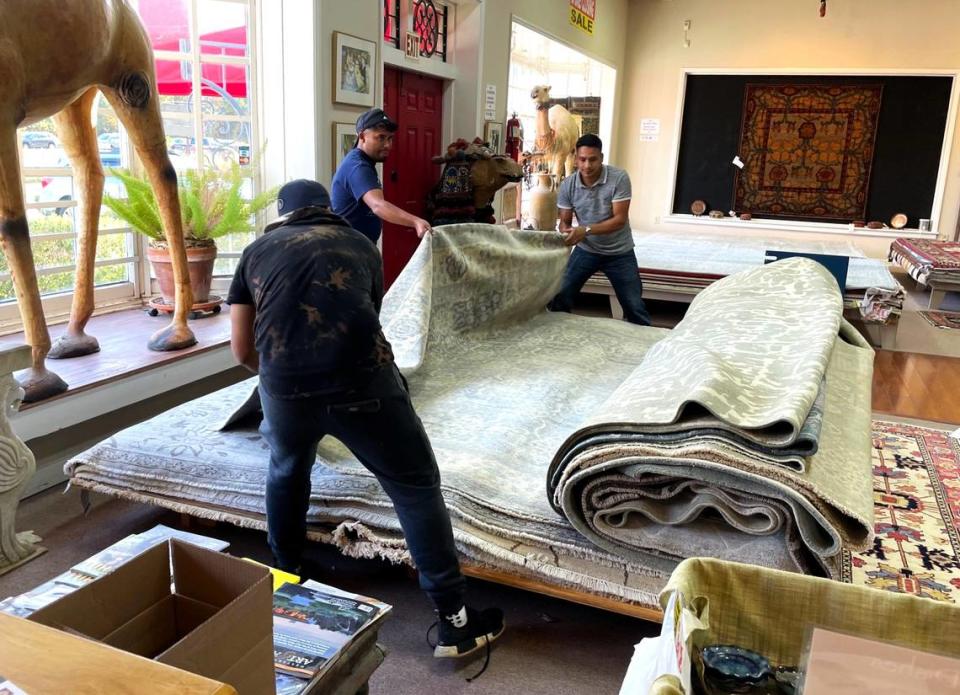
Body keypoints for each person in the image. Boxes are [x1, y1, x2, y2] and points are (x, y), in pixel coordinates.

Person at [227, 179, 504, 662]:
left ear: (283, 214)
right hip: (364, 388)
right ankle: (455, 621)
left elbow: (241, 351)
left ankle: (287, 570)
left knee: (288, 467)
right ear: (328, 210)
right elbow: (364, 317)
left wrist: (281, 380)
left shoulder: (255, 252)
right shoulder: (360, 244)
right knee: (415, 486)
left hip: (286, 389)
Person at [549, 134, 651, 326]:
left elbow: (619, 220)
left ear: (602, 158)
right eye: (582, 159)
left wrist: (584, 230)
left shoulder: (619, 178)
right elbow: (565, 222)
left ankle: (649, 349)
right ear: (576, 158)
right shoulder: (568, 185)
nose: (587, 165)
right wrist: (566, 233)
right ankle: (555, 340)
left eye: (593, 159)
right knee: (560, 298)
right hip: (586, 250)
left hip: (620, 252)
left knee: (634, 306)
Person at [331, 108, 431, 244]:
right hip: (349, 250)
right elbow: (378, 205)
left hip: (358, 247)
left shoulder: (363, 161)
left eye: (390, 138)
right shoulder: (358, 166)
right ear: (362, 137)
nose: (388, 145)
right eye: (381, 137)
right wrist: (415, 221)